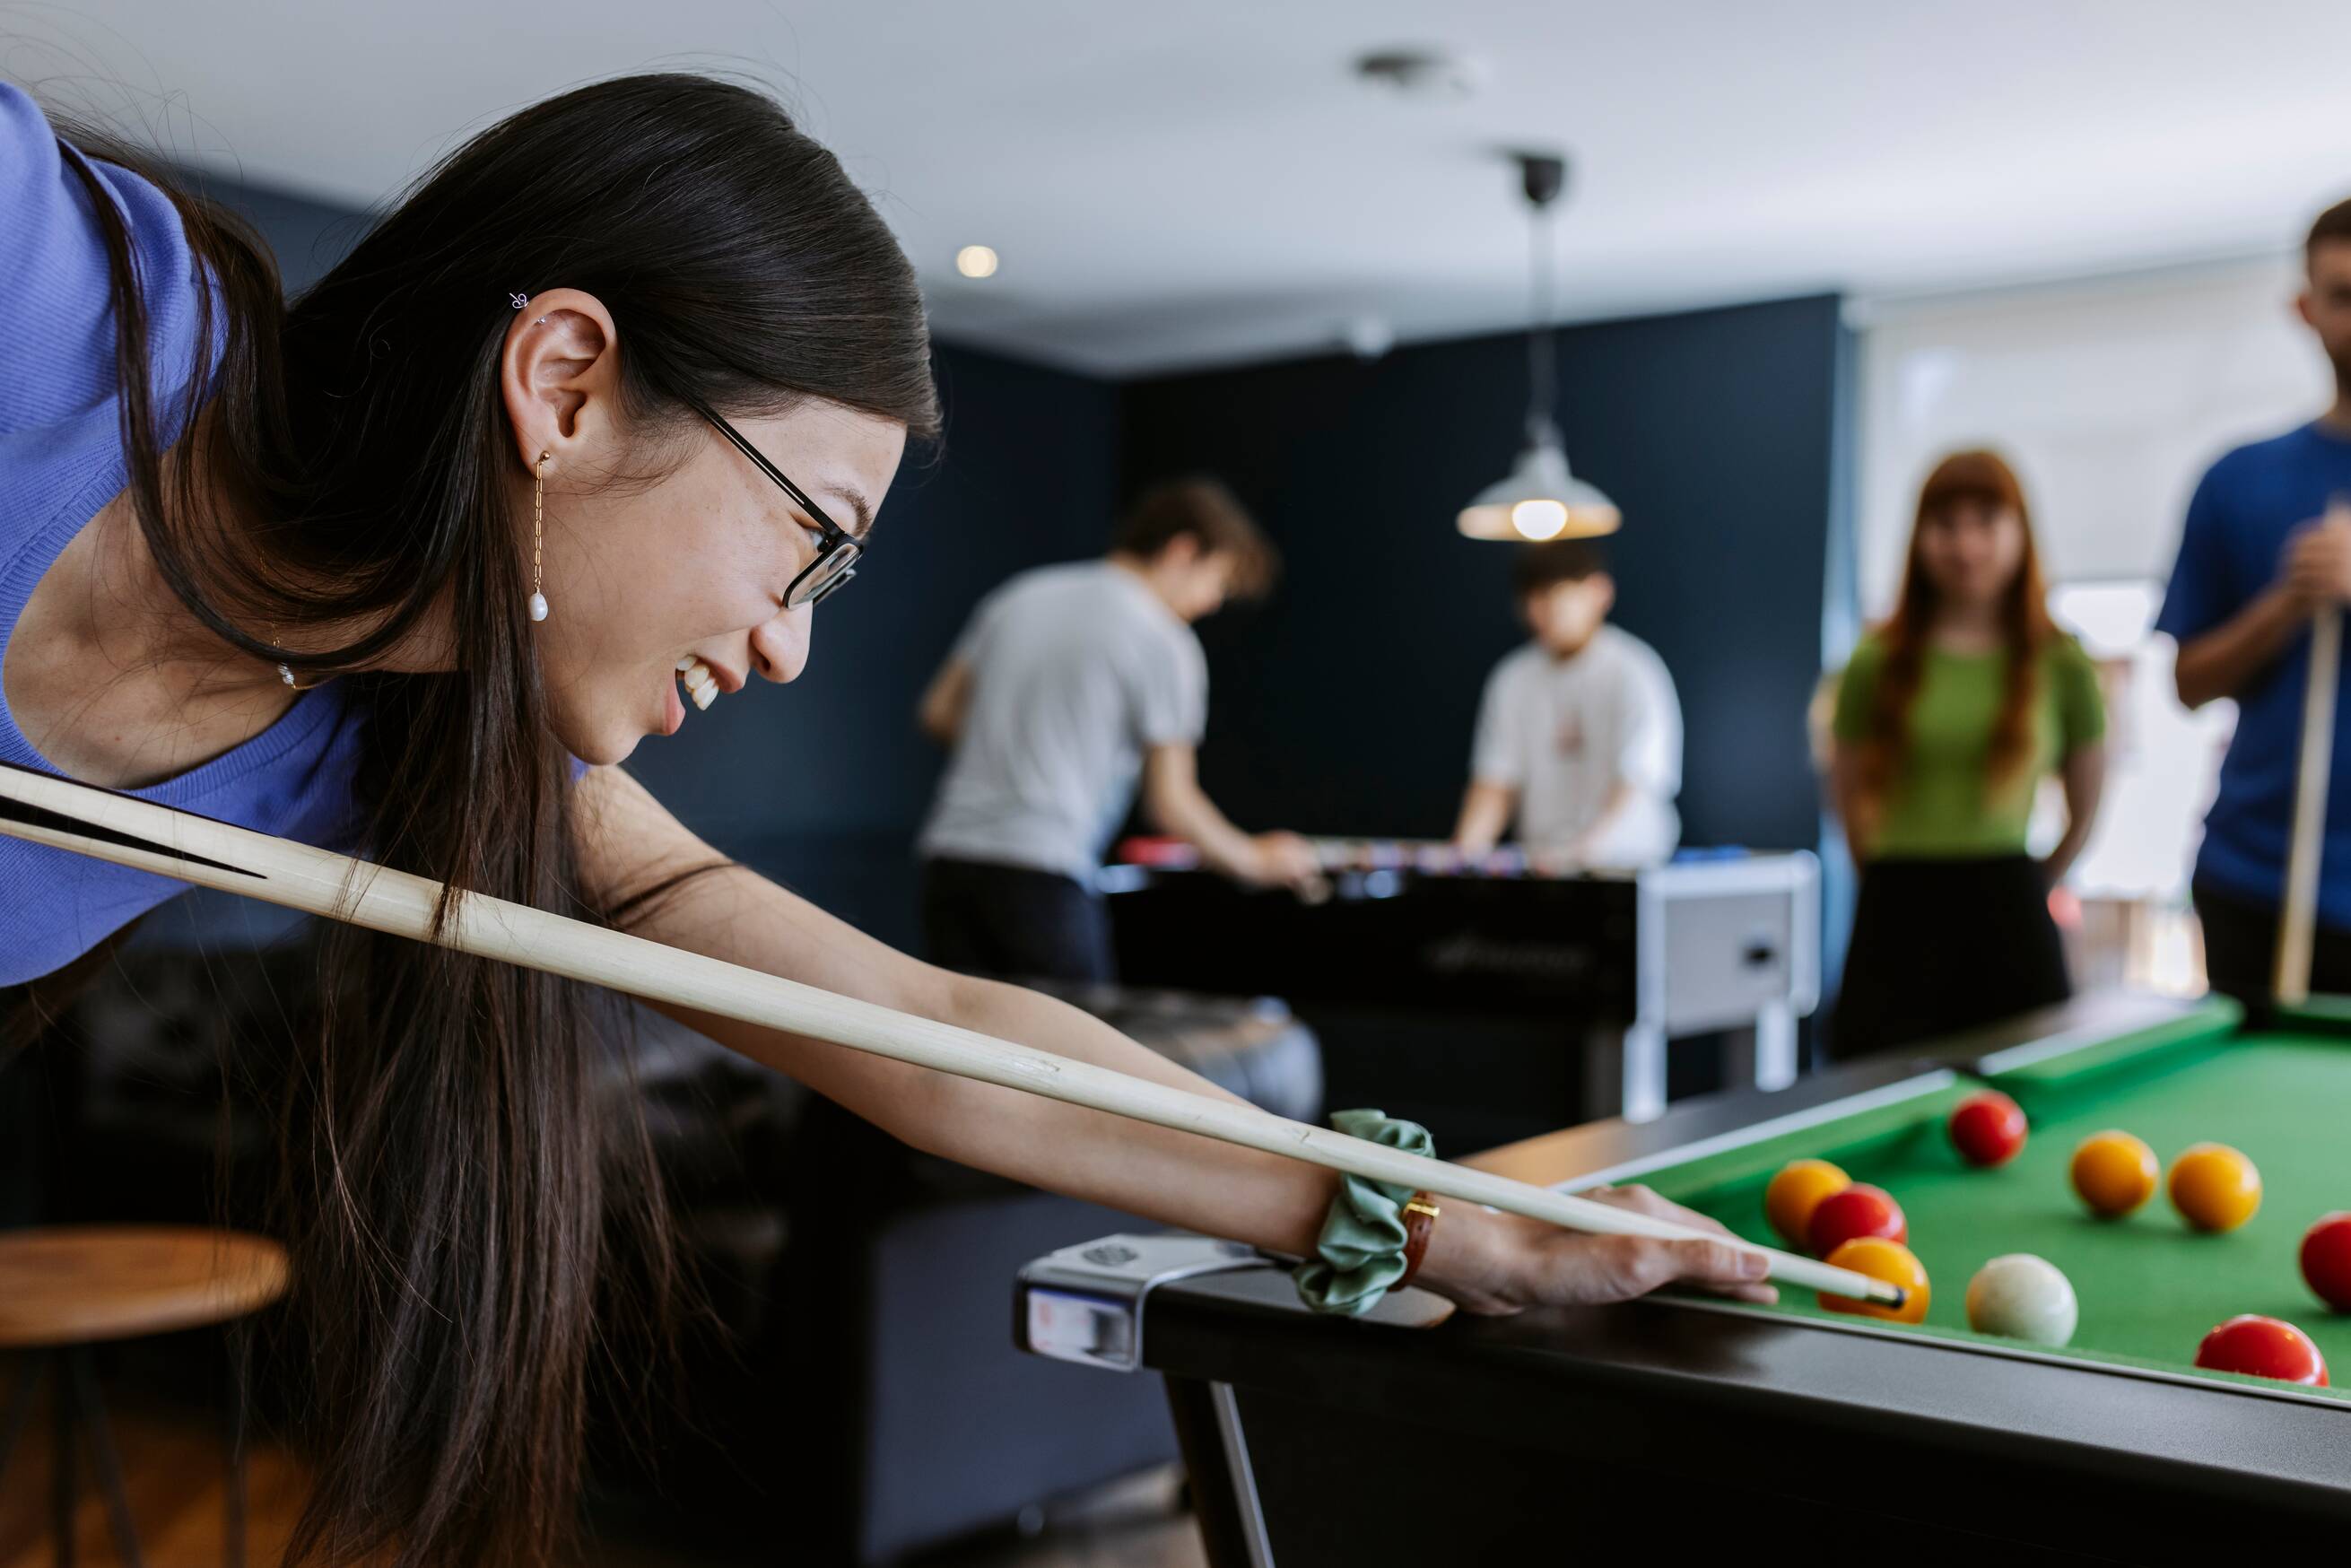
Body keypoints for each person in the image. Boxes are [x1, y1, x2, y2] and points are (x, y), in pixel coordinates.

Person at [0, 74, 1772, 1566]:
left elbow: (930, 1036)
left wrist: (1443, 1216)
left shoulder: (391, 747)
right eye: (804, 540)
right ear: (559, 383)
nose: (783, 645)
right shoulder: (42, 287)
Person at [915, 478, 1319, 982]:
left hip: (949, 860)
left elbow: (938, 712)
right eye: (1216, 582)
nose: (1212, 602)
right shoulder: (1164, 639)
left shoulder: (1021, 595)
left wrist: (1018, 749)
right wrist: (1256, 860)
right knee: (1075, 1056)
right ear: (1183, 550)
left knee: (959, 1048)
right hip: (1043, 875)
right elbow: (1171, 802)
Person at [1828, 450, 2107, 1058]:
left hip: (2010, 905)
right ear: (1919, 537)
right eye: (1945, 524)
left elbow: (2087, 801)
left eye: (1985, 521)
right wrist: (1885, 875)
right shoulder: (1873, 660)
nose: (1964, 545)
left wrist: (2033, 881)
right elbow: (1845, 794)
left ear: (2018, 533)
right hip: (1895, 911)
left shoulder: (2060, 660)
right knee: (1869, 1083)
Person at [2159, 197, 2351, 1002]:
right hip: (2259, 880)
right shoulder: (2236, 479)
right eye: (2342, 295)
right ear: (2303, 309)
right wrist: (2288, 601)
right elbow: (2189, 684)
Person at [1452, 539, 1683, 868]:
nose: (1537, 613)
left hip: (1626, 869)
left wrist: (1584, 851)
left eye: (1550, 595)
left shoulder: (1635, 670)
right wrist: (1461, 861)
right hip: (1543, 870)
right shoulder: (1512, 678)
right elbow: (1495, 782)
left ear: (1599, 591)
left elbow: (1638, 779)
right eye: (1529, 599)